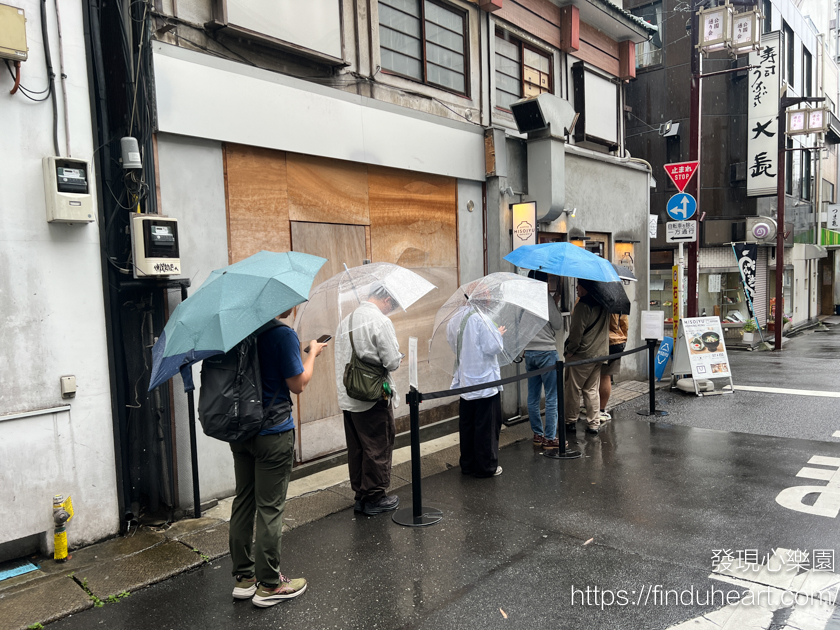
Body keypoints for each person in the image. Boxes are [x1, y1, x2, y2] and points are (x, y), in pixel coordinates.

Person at [230, 309, 328, 608]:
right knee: (270, 508)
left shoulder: (238, 331)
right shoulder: (282, 334)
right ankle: (270, 585)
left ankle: (245, 579)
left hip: (240, 429)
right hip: (273, 431)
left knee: (244, 500)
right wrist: (311, 353)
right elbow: (297, 384)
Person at [335, 284, 403, 516]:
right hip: (373, 396)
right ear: (385, 297)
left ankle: (361, 496)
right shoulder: (379, 321)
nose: (389, 310)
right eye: (391, 305)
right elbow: (392, 362)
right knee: (378, 445)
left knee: (357, 449)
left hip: (350, 396)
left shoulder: (345, 322)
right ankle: (374, 498)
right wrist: (399, 354)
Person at [447, 302, 506, 477]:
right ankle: (486, 466)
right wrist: (499, 334)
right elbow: (493, 347)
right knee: (486, 426)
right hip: (484, 380)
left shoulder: (455, 320)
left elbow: (453, 343)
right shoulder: (482, 319)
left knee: (468, 425)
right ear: (484, 301)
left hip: (465, 379)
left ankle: (467, 464)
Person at [523, 271, 564, 449]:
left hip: (529, 352)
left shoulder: (523, 299)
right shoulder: (545, 298)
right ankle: (549, 438)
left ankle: (538, 435)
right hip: (546, 352)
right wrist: (554, 304)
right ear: (544, 282)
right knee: (551, 396)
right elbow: (558, 324)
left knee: (532, 397)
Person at [563, 279, 609, 435]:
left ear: (587, 287)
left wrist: (570, 350)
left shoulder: (583, 306)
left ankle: (570, 421)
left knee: (573, 389)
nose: (576, 288)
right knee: (591, 389)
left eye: (580, 285)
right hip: (599, 354)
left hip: (582, 355)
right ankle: (594, 423)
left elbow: (576, 332)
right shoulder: (603, 303)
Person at [599, 313, 629, 423]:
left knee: (591, 376)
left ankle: (590, 407)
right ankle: (601, 410)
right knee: (606, 376)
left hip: (595, 341)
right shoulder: (618, 301)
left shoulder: (589, 296)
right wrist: (622, 337)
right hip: (614, 342)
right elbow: (624, 324)